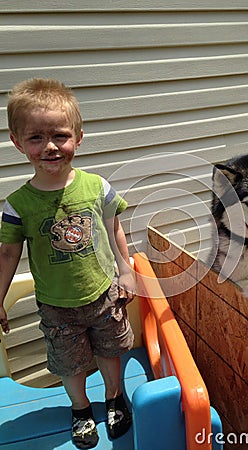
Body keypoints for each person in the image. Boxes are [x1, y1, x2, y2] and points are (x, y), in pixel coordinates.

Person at [0, 78, 135, 449]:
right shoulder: (17, 205)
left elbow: (114, 229)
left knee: (110, 350)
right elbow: (8, 253)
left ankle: (114, 398)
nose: (50, 147)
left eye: (60, 135)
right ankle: (80, 409)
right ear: (17, 142)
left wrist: (127, 271)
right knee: (69, 364)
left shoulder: (97, 187)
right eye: (36, 138)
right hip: (57, 307)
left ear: (78, 136)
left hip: (104, 294)